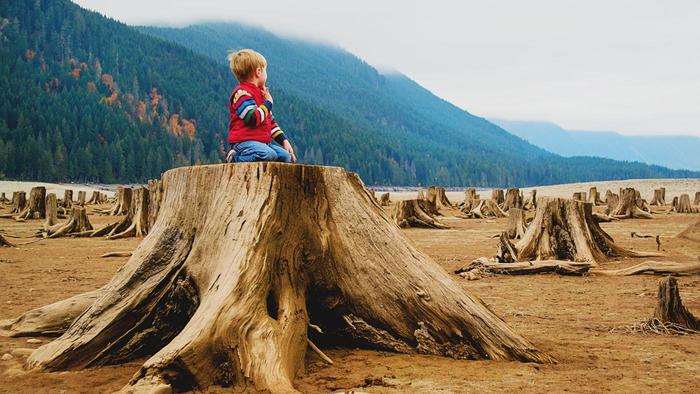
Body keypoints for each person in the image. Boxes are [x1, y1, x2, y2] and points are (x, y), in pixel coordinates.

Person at [225, 49, 297, 163]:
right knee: (268, 154)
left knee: (285, 156)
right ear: (258, 72)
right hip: (244, 143)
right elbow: (253, 118)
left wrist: (284, 141)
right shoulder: (241, 93)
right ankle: (235, 158)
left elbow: (271, 123)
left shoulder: (262, 94)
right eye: (265, 71)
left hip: (262, 143)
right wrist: (268, 103)